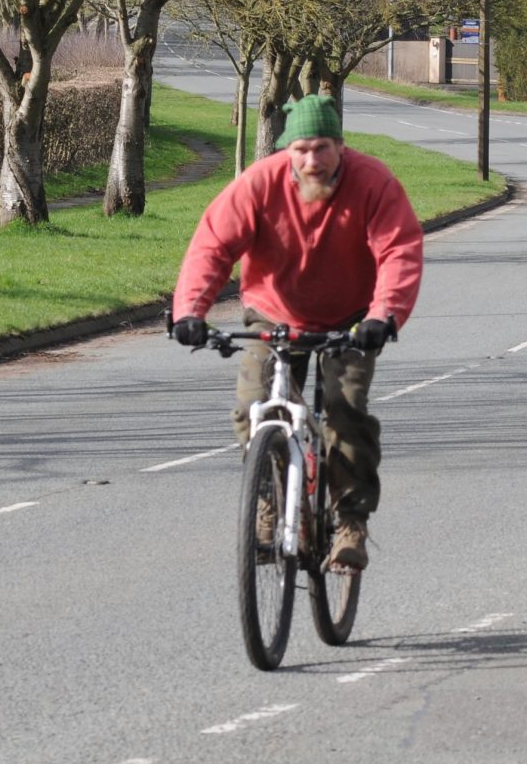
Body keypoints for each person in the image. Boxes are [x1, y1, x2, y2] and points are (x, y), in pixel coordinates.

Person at [169, 93, 423, 571]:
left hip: (351, 320)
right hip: (274, 314)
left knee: (345, 412)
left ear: (340, 147)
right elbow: (212, 247)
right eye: (302, 149)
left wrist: (383, 315)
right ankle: (270, 500)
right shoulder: (259, 184)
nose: (312, 161)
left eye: (322, 148)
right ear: (287, 149)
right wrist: (189, 312)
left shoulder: (373, 182)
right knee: (254, 407)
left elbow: (399, 250)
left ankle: (350, 522)